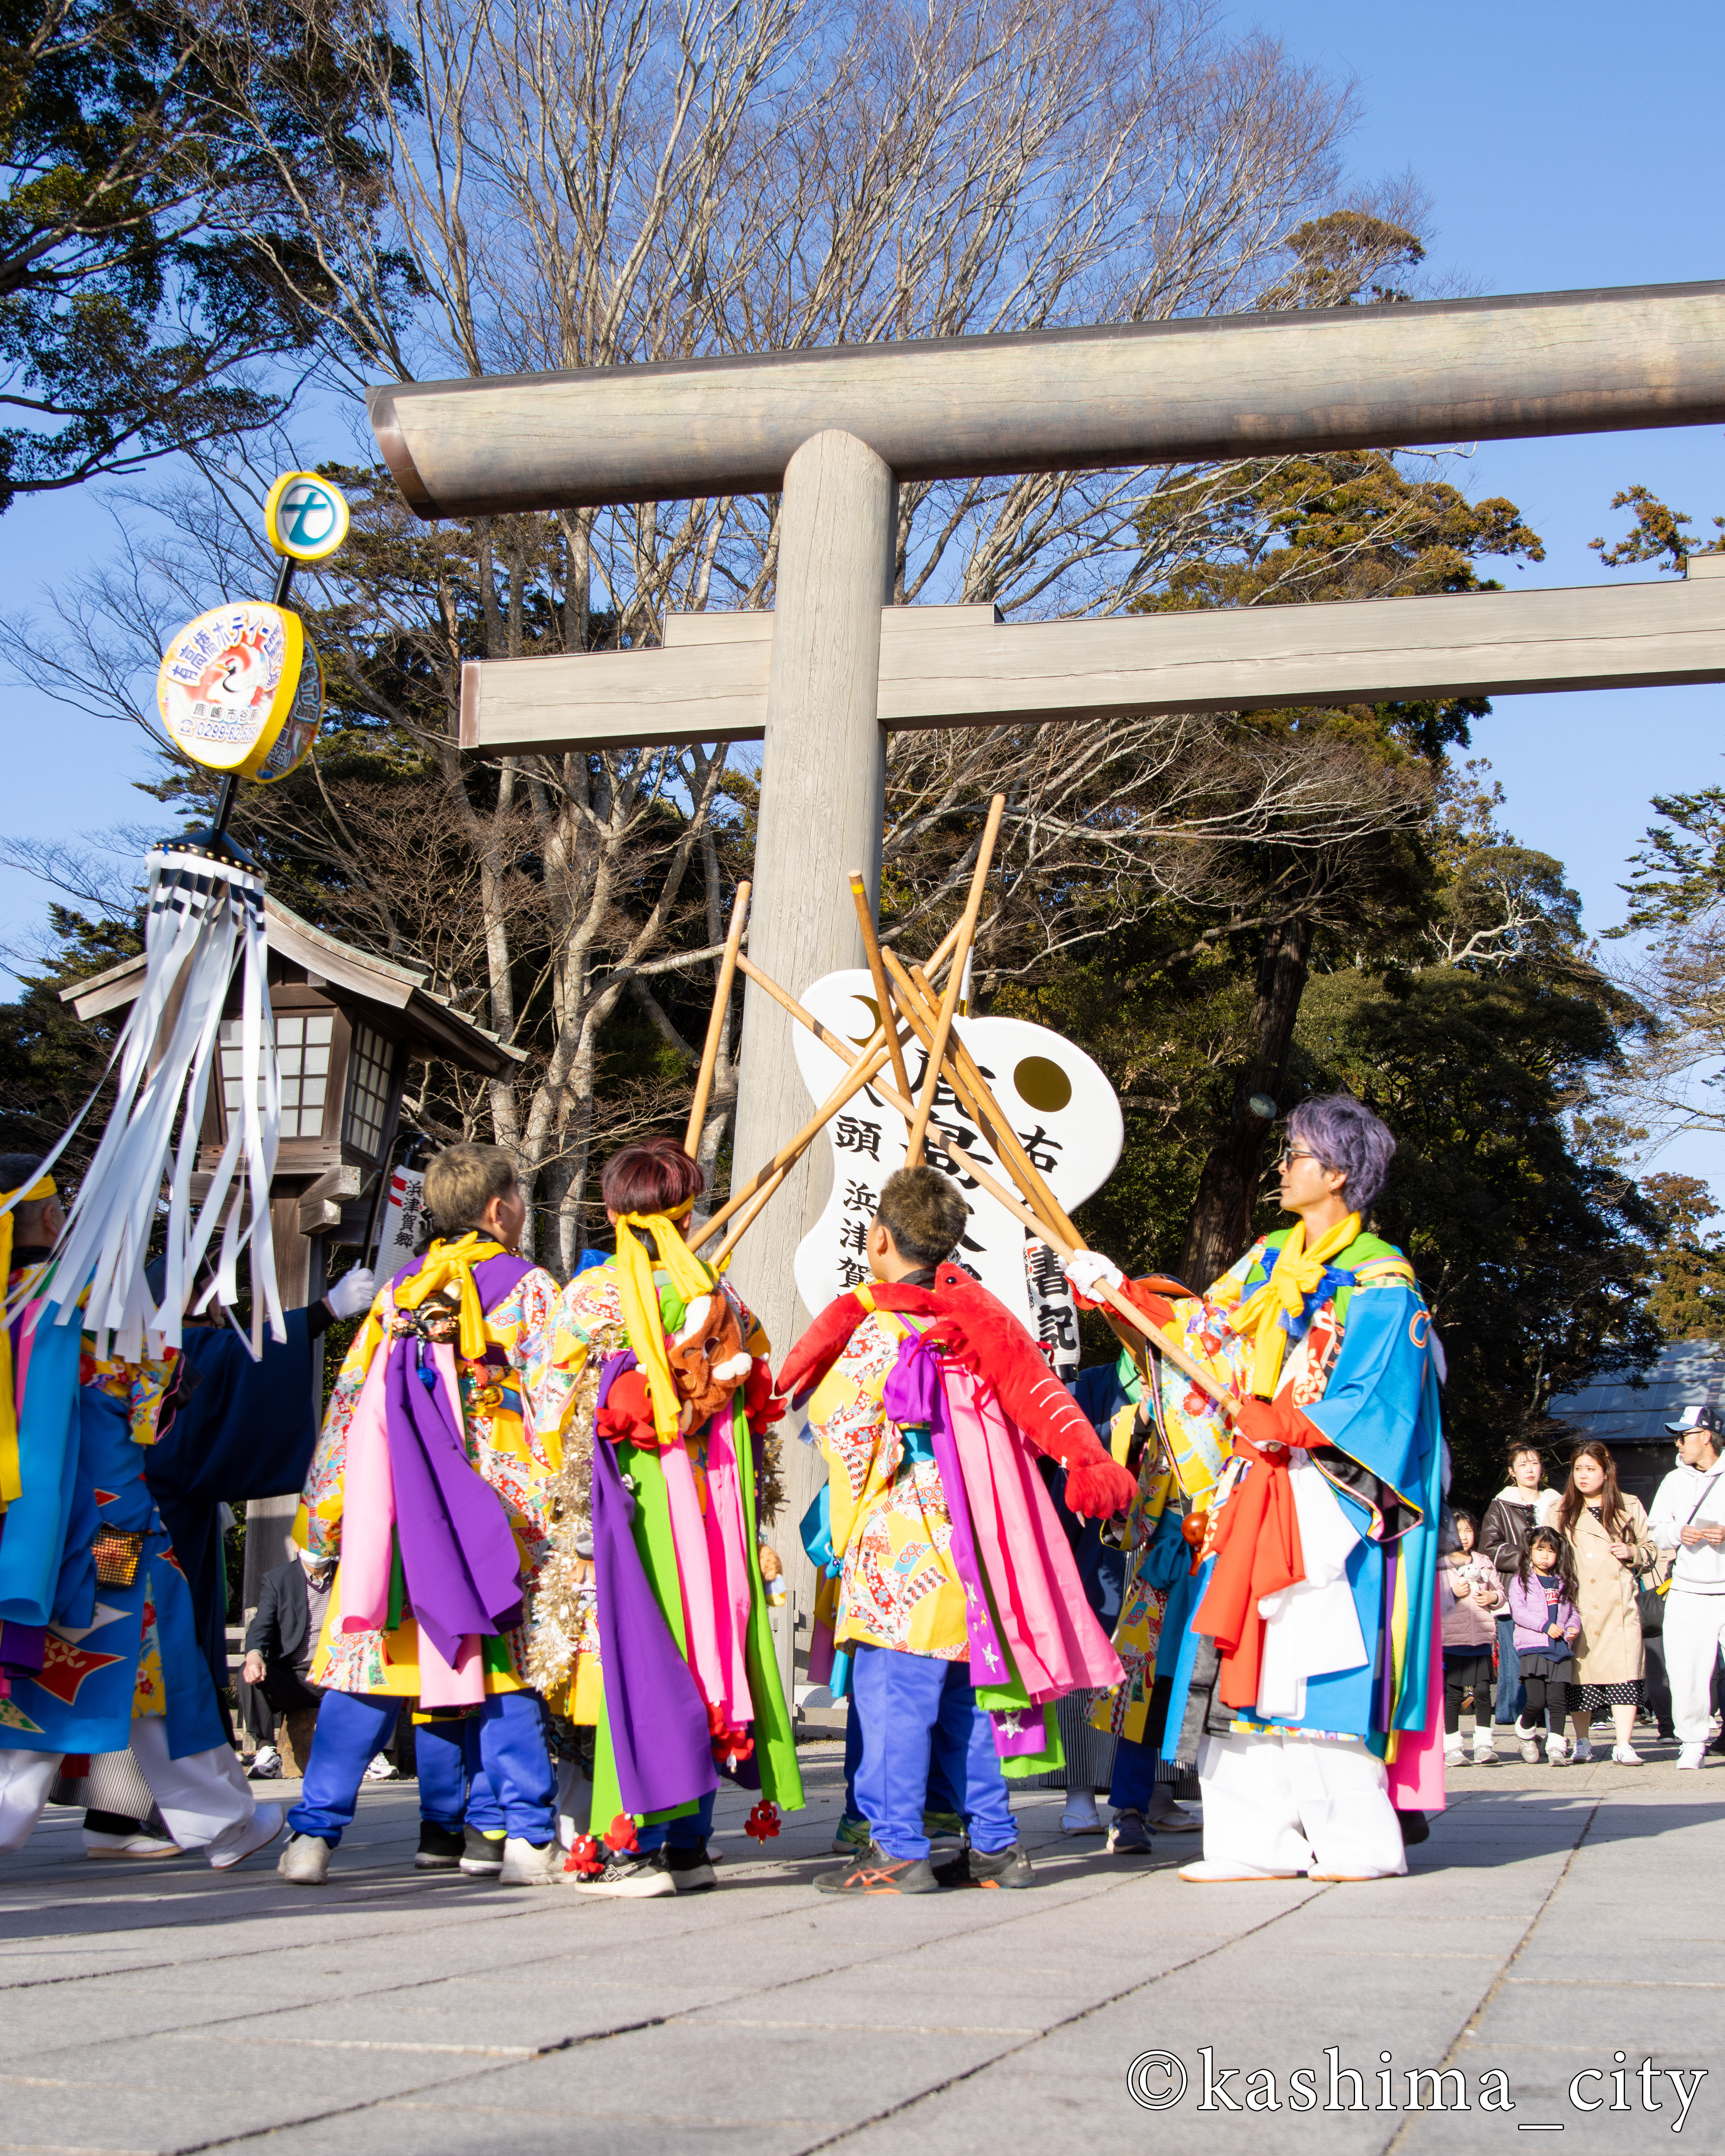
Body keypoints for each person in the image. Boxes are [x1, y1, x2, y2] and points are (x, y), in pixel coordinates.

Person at [779, 1165, 1133, 1896]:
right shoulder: (974, 1329)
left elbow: (843, 1428)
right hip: (980, 1543)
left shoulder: (881, 1332)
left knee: (893, 1701)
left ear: (878, 1239)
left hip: (902, 1541)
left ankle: (899, 1846)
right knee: (972, 1699)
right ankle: (997, 1846)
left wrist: (843, 1532)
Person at [1146, 1096, 1445, 1884]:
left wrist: (1287, 1421)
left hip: (1326, 1499)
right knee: (1241, 1652)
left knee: (1319, 1658)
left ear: (1338, 1173)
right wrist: (1127, 1300)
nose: (1281, 1168)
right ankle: (1249, 1842)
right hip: (1255, 1480)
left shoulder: (1383, 1278)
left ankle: (1354, 1842)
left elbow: (1382, 1395)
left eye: (1296, 1156)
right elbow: (1200, 1334)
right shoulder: (1267, 1256)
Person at [277, 1142, 566, 1885]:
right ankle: (526, 1837)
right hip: (491, 1515)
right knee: (497, 1673)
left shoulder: (399, 1293)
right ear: (500, 1209)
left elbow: (350, 1410)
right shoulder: (530, 1289)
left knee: (372, 1669)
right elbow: (558, 1403)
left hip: (397, 1508)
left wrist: (323, 1525)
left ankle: (313, 1836)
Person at [530, 1135, 801, 1900]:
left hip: (633, 1506)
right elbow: (758, 1398)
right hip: (713, 1507)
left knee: (639, 1665)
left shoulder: (591, 1297)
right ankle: (689, 1847)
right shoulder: (721, 1296)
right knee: (706, 1653)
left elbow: (548, 1409)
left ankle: (635, 1847)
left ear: (613, 1211)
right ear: (687, 1214)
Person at [0, 1159, 282, 1869]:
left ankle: (204, 1816)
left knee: (65, 1670)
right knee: (145, 1657)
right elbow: (153, 1409)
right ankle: (217, 1819)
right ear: (54, 1220)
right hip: (109, 1529)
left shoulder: (8, 1306)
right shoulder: (90, 1303)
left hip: (28, 1538)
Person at [1555, 1440, 1657, 1766]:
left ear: (1606, 1471)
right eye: (1578, 1469)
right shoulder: (1560, 1509)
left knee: (1625, 1673)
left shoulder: (1629, 1505)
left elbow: (1652, 1549)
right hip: (1578, 1604)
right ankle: (1582, 1742)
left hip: (1620, 1605)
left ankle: (1624, 1743)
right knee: (1580, 1678)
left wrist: (1634, 1553)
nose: (1583, 1476)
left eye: (1590, 1469)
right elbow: (1545, 1552)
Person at [1647, 1405, 1725, 1771]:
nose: (1678, 1444)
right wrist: (1679, 1532)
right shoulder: (1674, 1482)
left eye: (1685, 1436)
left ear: (1706, 1436)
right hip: (1688, 1588)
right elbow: (1656, 1529)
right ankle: (1693, 1741)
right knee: (1686, 1668)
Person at [1479, 1444, 1561, 1745]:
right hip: (1518, 1595)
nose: (1530, 1469)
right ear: (1512, 1472)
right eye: (1522, 1464)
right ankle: (1518, 1722)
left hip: (1553, 1594)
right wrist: (1530, 1555)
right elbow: (1490, 1548)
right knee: (1518, 1661)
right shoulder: (1501, 1505)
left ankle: (1549, 1722)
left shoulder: (1556, 1503)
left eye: (1535, 1463)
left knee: (1551, 1658)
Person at [1507, 1527, 1580, 1764]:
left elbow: (1573, 1612)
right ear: (1530, 1550)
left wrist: (1573, 1627)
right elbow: (1518, 1612)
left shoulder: (1564, 1582)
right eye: (1540, 1550)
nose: (1546, 1556)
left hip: (1560, 1649)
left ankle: (1557, 1747)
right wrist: (1545, 1626)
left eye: (1552, 1551)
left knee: (1558, 1702)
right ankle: (1525, 1731)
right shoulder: (1521, 1580)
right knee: (1536, 1701)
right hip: (1534, 1647)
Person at [1442, 1509, 1502, 1768]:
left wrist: (1494, 1598)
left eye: (1468, 1531)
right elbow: (1431, 1602)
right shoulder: (1440, 1565)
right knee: (1452, 1694)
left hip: (1481, 1638)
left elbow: (1500, 1592)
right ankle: (1453, 1747)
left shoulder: (1484, 1562)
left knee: (1482, 1692)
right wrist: (1452, 1593)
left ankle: (1484, 1745)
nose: (1464, 1537)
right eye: (1458, 1532)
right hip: (1452, 1640)